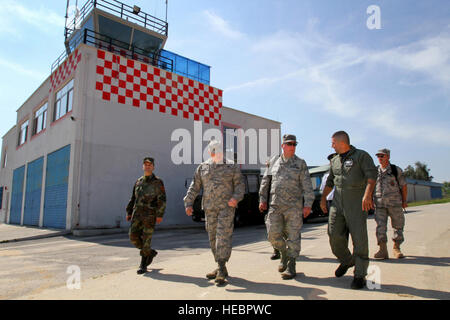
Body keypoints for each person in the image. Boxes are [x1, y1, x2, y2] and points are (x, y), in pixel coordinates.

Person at [320, 131, 377, 289]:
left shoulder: (361, 156)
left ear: (341, 142)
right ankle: (347, 260)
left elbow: (372, 176)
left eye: (333, 143)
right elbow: (330, 181)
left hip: (356, 202)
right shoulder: (335, 160)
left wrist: (367, 195)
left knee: (359, 239)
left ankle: (360, 274)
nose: (331, 145)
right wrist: (323, 198)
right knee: (333, 234)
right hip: (337, 203)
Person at [184, 140, 245, 285]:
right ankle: (219, 265)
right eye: (213, 150)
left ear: (222, 151)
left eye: (218, 150)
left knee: (222, 236)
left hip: (226, 208)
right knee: (212, 237)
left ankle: (221, 267)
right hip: (210, 208)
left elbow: (240, 186)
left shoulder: (232, 166)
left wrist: (235, 198)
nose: (216, 153)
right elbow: (195, 187)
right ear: (210, 152)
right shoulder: (203, 168)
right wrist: (188, 202)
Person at [259, 134, 315, 280]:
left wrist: (308, 204)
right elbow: (266, 181)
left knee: (293, 236)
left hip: (293, 207)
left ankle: (291, 265)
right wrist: (262, 199)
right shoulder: (273, 162)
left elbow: (307, 185)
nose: (292, 147)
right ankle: (283, 252)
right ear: (283, 145)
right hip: (275, 205)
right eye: (289, 144)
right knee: (272, 234)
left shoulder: (300, 163)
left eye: (294, 144)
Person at [126, 157, 166, 275]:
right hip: (137, 214)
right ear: (143, 166)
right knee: (133, 237)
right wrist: (129, 212)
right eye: (145, 164)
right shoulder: (138, 181)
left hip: (150, 215)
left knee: (146, 239)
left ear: (153, 167)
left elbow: (162, 199)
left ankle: (143, 264)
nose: (147, 166)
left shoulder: (158, 182)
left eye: (150, 165)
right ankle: (150, 253)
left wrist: (160, 214)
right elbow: (133, 198)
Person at [373, 148, 408, 259]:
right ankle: (382, 250)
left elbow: (403, 186)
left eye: (382, 156)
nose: (380, 158)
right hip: (379, 204)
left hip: (395, 203)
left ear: (388, 156)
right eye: (378, 156)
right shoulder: (375, 171)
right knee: (380, 228)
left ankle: (396, 248)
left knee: (398, 226)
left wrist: (404, 201)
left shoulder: (395, 170)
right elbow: (370, 186)